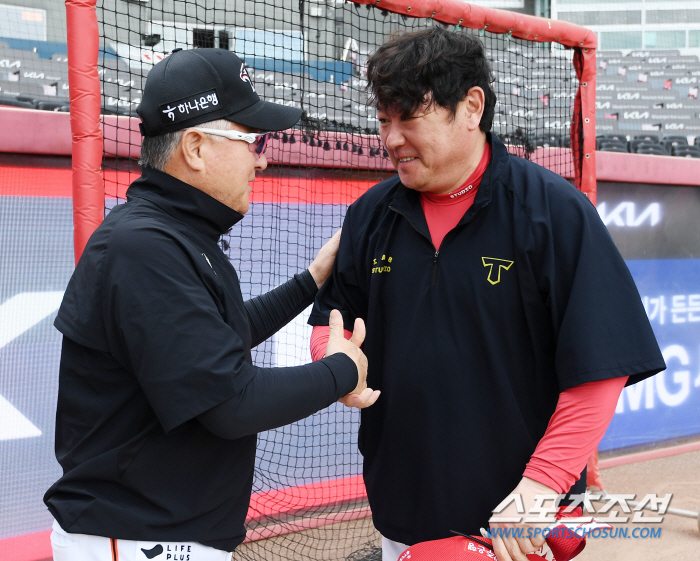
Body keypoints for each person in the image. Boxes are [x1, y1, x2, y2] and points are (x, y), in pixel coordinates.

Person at [308, 28, 665, 561]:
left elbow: (601, 368)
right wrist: (333, 362)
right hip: (404, 514)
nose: (391, 138)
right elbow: (330, 325)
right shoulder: (368, 216)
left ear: (471, 106)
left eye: (409, 117)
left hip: (518, 528)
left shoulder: (554, 211)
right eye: (384, 120)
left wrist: (542, 484)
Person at [44, 48, 377, 561]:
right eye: (252, 140)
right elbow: (230, 403)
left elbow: (220, 338)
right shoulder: (144, 247)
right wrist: (342, 371)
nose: (263, 157)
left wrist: (311, 280)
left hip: (154, 537)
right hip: (138, 541)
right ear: (195, 147)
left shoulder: (171, 232)